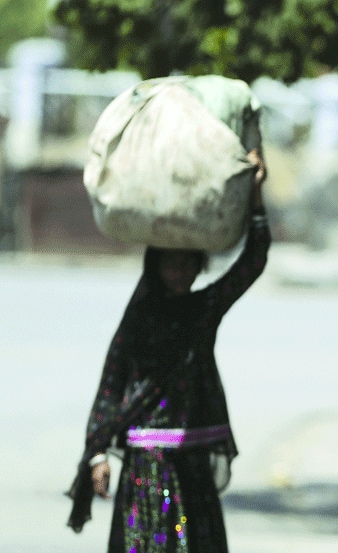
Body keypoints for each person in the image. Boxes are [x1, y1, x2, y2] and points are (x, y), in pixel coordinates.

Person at [67, 150, 270, 553]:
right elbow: (112, 384)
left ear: (199, 267)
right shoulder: (139, 318)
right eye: (169, 263)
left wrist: (256, 196)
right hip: (145, 467)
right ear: (154, 265)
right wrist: (98, 455)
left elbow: (252, 261)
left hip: (191, 462)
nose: (178, 272)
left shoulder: (204, 309)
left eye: (186, 263)